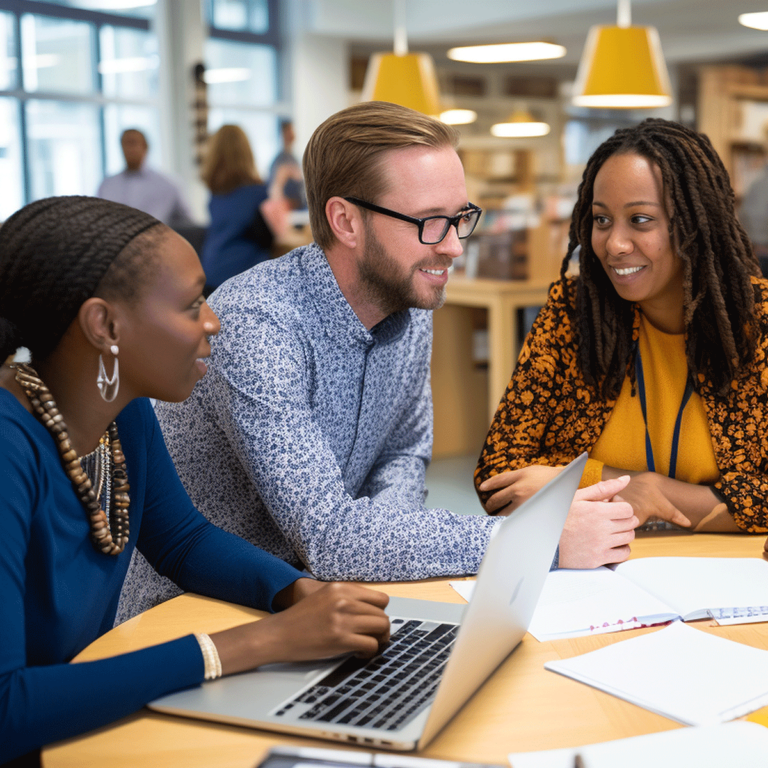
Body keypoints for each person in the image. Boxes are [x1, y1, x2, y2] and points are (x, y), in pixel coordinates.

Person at [117, 101, 631, 622]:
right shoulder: (258, 322)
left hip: (324, 600)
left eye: (460, 218)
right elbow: (329, 535)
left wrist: (383, 546)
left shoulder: (408, 296)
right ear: (345, 221)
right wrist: (535, 540)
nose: (454, 247)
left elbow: (404, 453)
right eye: (431, 223)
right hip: (195, 611)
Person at [0, 195, 391, 766]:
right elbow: (7, 707)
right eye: (190, 306)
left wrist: (297, 592)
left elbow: (183, 539)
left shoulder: (118, 408)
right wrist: (264, 642)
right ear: (104, 325)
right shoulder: (10, 447)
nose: (214, 321)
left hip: (84, 730)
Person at [475, 117, 768, 564]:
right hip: (595, 573)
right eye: (601, 220)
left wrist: (650, 493)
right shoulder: (574, 315)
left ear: (693, 223)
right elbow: (499, 478)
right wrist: (640, 488)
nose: (614, 244)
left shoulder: (757, 324)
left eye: (640, 220)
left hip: (726, 574)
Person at [199, 124, 289, 293]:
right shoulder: (259, 194)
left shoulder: (215, 194)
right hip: (242, 280)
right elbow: (279, 233)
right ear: (246, 153)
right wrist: (277, 185)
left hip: (210, 274)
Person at [97, 128, 194, 227]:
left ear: (145, 147)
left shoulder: (169, 184)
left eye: (133, 143)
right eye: (125, 144)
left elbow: (188, 224)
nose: (129, 149)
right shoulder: (107, 185)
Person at [268, 119, 306, 210]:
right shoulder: (281, 160)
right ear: (283, 133)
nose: (293, 133)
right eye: (290, 130)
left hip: (299, 206)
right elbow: (275, 189)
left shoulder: (293, 158)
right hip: (289, 208)